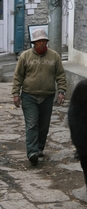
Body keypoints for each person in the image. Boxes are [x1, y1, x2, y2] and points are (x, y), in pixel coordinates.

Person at [12, 29, 67, 165]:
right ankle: (32, 152)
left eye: (44, 41)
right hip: (29, 96)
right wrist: (15, 94)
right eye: (39, 41)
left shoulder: (54, 57)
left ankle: (39, 148)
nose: (42, 43)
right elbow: (18, 76)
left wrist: (61, 91)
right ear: (34, 43)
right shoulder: (25, 57)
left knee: (43, 125)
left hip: (47, 97)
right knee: (31, 124)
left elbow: (60, 75)